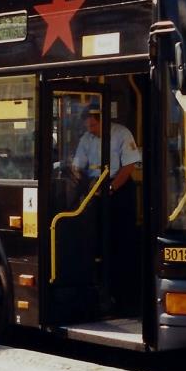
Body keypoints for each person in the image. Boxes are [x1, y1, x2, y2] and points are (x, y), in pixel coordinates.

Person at [72, 105, 141, 314]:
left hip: (118, 190)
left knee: (120, 244)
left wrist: (110, 188)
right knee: (92, 241)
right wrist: (81, 179)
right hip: (95, 189)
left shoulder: (121, 133)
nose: (91, 129)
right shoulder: (87, 138)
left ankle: (123, 298)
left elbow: (128, 167)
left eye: (93, 125)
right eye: (88, 126)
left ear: (102, 120)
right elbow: (77, 165)